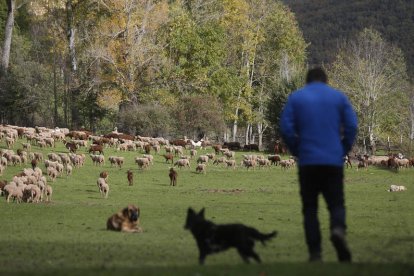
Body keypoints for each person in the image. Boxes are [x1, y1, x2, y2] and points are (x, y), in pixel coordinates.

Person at [280, 67, 358, 262]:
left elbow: (286, 127)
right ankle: (338, 230)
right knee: (336, 204)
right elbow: (352, 125)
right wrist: (343, 149)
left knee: (310, 208)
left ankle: (315, 253)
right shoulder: (338, 97)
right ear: (326, 80)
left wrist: (297, 149)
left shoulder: (297, 98)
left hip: (308, 162)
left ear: (307, 81)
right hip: (333, 160)